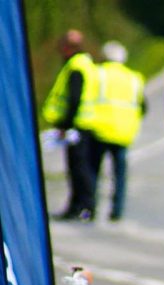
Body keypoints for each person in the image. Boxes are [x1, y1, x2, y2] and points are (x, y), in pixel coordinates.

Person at [42, 30, 99, 222]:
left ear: (67, 48)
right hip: (84, 123)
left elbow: (75, 98)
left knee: (78, 168)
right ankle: (78, 205)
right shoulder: (87, 64)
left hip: (77, 125)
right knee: (79, 167)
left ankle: (84, 206)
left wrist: (65, 124)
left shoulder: (76, 67)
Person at [89, 41, 146, 222]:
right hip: (123, 131)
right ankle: (117, 210)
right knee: (119, 174)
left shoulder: (98, 74)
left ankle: (91, 206)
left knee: (93, 171)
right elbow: (142, 105)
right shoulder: (134, 78)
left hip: (99, 128)